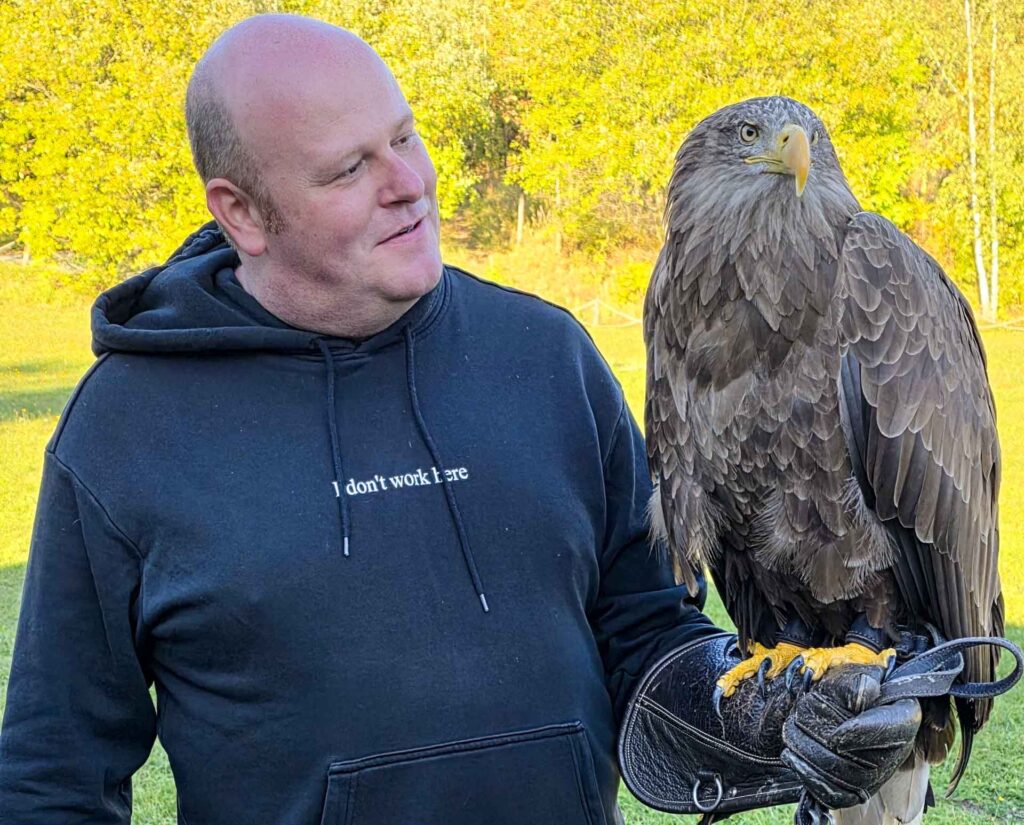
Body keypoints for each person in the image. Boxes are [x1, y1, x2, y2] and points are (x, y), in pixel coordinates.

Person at [0, 15, 919, 825]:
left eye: (405, 137)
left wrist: (754, 716)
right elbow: (54, 774)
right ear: (242, 213)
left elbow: (645, 636)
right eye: (350, 168)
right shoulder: (127, 429)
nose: (408, 183)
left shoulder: (546, 358)